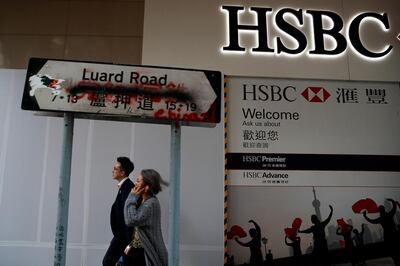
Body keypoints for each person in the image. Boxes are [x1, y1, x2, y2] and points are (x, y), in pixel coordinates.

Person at [124, 169, 168, 266]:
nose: (135, 183)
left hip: (144, 254)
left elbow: (131, 220)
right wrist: (129, 247)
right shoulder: (145, 201)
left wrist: (131, 197)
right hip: (137, 251)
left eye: (138, 181)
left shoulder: (150, 204)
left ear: (147, 187)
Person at [103, 157, 135, 266]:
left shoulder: (127, 188)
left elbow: (127, 215)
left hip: (123, 237)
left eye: (115, 168)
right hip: (122, 236)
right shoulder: (124, 187)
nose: (112, 171)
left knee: (108, 261)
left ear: (123, 172)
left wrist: (129, 242)